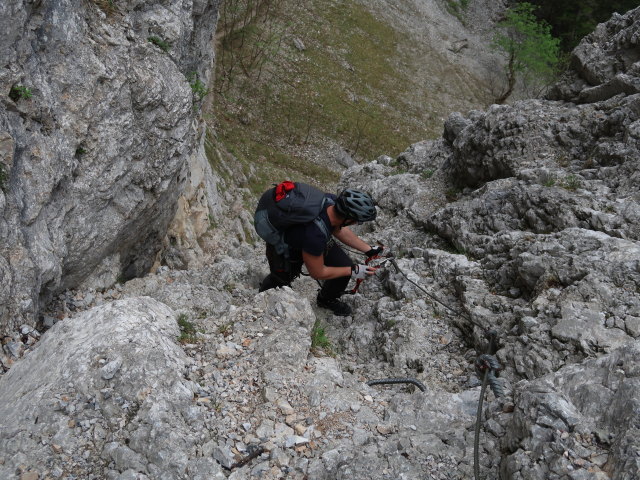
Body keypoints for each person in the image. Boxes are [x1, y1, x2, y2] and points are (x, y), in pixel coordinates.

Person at [259, 188, 383, 316]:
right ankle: (260, 302)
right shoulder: (315, 236)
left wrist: (368, 249)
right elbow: (317, 272)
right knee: (280, 279)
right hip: (285, 245)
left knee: (342, 265)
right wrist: (353, 270)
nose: (357, 223)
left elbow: (338, 228)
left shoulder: (331, 201)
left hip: (308, 236)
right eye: (357, 221)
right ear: (349, 219)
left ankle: (326, 299)